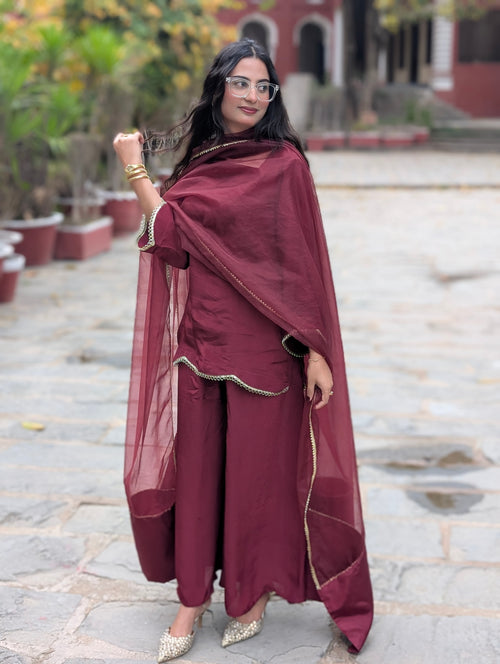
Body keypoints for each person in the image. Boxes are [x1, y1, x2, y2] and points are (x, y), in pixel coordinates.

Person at [113, 39, 373, 663]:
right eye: (241, 82)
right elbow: (172, 244)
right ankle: (192, 597)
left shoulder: (284, 165)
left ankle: (251, 592)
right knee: (201, 475)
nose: (253, 96)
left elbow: (302, 267)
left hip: (265, 349)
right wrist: (147, 178)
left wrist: (315, 351)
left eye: (264, 86)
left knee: (257, 478)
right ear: (219, 87)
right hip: (202, 340)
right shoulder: (202, 159)